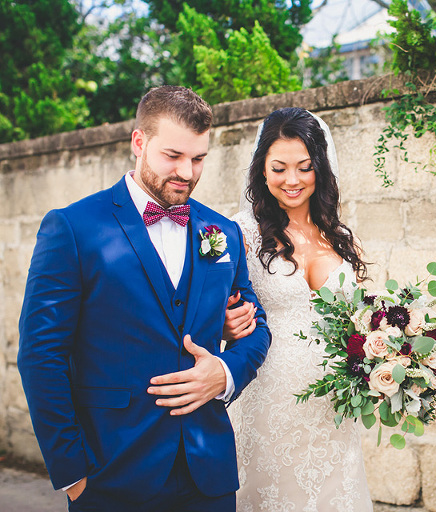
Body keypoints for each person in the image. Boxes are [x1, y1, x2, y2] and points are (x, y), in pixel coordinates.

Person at [17, 85, 272, 512]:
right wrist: (73, 474)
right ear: (139, 142)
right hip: (110, 476)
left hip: (209, 478)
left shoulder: (221, 232)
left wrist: (225, 372)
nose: (187, 172)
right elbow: (41, 355)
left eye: (198, 158)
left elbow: (255, 326)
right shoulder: (73, 228)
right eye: (173, 156)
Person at [224, 107, 373, 511]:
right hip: (267, 398)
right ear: (262, 170)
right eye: (279, 168)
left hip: (333, 407)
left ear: (320, 169)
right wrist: (228, 326)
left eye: (305, 167)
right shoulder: (240, 233)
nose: (292, 180)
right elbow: (216, 315)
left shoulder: (342, 238)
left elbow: (361, 322)